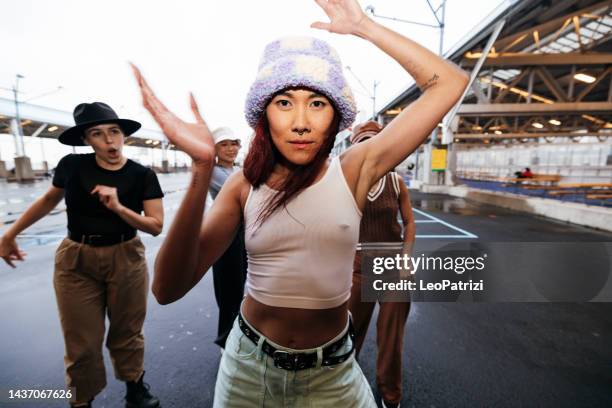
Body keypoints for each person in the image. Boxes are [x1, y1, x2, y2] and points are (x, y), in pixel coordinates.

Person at [131, 0, 468, 406]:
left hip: (334, 375)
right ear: (264, 114)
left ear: (335, 115)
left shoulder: (354, 170)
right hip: (248, 371)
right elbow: (167, 289)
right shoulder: (244, 185)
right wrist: (201, 167)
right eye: (285, 102)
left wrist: (365, 26)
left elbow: (448, 83)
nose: (301, 121)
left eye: (318, 102)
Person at [0, 102, 164, 408]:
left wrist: (119, 208)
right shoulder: (72, 167)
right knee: (81, 343)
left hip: (126, 257)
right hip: (76, 260)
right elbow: (49, 200)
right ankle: (80, 400)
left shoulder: (142, 174)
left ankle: (135, 388)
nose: (109, 140)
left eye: (114, 132)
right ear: (87, 141)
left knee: (127, 331)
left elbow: (155, 226)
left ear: (123, 135)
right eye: (98, 134)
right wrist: (10, 234)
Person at [348, 120, 416, 408]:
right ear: (354, 146)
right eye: (362, 141)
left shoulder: (396, 181)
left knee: (391, 339)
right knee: (348, 337)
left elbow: (409, 222)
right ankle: (343, 390)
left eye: (374, 140)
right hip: (357, 265)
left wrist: (406, 258)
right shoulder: (347, 180)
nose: (369, 146)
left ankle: (391, 397)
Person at [209, 127, 248, 350]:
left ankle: (234, 335)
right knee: (228, 289)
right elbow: (243, 195)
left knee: (239, 285)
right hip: (225, 235)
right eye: (224, 144)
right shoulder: (214, 172)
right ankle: (225, 340)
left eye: (234, 143)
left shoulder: (236, 170)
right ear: (215, 149)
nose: (231, 148)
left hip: (241, 233)